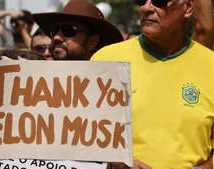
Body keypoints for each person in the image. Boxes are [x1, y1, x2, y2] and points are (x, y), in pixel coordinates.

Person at [91, 0, 214, 168]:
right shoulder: (106, 60)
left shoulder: (210, 65)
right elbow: (82, 138)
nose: (146, 8)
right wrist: (114, 162)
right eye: (141, 0)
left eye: (159, 1)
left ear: (188, 8)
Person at [32, 0, 123, 60]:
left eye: (69, 30)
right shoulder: (35, 80)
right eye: (54, 30)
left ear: (92, 42)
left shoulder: (109, 84)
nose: (56, 37)